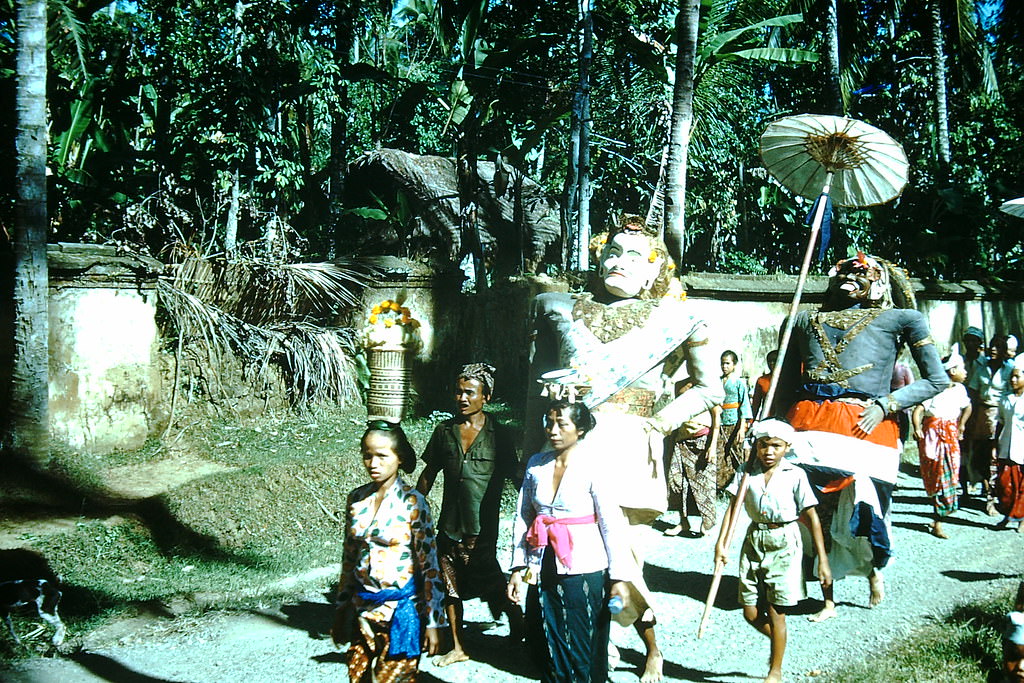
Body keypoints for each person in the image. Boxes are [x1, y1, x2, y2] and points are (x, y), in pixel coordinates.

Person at [528, 213, 724, 681]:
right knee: (576, 551)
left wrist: (660, 422)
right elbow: (536, 381)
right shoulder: (561, 310)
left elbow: (709, 389)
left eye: (634, 256)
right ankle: (594, 641)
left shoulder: (678, 320)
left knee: (624, 556)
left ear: (657, 271)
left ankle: (643, 641)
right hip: (572, 445)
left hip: (633, 448)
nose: (619, 261)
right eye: (612, 251)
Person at [776, 252, 946, 620]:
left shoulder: (904, 319)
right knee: (808, 515)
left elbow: (937, 379)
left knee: (865, 516)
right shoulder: (800, 320)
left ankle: (873, 570)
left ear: (882, 281)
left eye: (863, 271)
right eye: (844, 271)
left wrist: (888, 404)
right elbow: (784, 387)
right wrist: (765, 431)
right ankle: (825, 597)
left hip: (866, 431)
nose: (851, 275)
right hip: (805, 428)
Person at [508, 400, 632, 683]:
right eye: (549, 422)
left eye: (562, 423)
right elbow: (523, 517)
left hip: (583, 566)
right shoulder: (536, 465)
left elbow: (611, 523)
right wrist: (517, 568)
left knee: (583, 642)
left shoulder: (594, 465)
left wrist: (619, 578)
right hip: (542, 563)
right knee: (546, 640)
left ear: (581, 429)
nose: (553, 430)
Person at [416, 363, 523, 666]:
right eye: (459, 392)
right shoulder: (444, 432)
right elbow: (429, 473)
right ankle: (459, 647)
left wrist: (534, 509)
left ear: (485, 397)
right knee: (449, 589)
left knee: (492, 586)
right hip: (449, 528)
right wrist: (410, 503)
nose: (462, 398)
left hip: (481, 531)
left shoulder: (499, 435)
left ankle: (519, 627)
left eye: (470, 393)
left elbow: (515, 476)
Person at [714, 419, 831, 683]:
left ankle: (774, 671)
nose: (768, 452)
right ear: (756, 446)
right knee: (750, 612)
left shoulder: (795, 475)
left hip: (785, 542)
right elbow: (732, 509)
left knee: (777, 610)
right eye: (763, 445)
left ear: (786, 447)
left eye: (776, 446)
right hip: (754, 540)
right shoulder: (746, 473)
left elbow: (812, 517)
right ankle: (781, 642)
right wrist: (721, 544)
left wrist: (822, 560)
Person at [333, 421, 446, 683]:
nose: (373, 463)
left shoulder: (413, 502)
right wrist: (341, 609)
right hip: (362, 612)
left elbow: (429, 565)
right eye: (368, 455)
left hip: (400, 614)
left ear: (399, 457)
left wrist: (434, 622)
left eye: (382, 456)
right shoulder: (357, 499)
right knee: (356, 678)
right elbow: (349, 559)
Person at [911, 345, 972, 538]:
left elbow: (967, 407)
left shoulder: (960, 390)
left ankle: (939, 518)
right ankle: (938, 518)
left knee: (948, 476)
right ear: (952, 371)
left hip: (950, 436)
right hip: (933, 437)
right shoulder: (934, 389)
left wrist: (961, 425)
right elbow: (919, 409)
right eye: (962, 369)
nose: (965, 373)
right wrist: (918, 428)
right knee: (936, 477)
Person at [664, 378, 720, 537]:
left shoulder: (708, 385)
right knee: (677, 481)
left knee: (704, 482)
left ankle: (707, 522)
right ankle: (683, 522)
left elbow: (716, 418)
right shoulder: (679, 385)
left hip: (702, 441)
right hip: (681, 439)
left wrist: (713, 446)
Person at [966, 334, 1013, 508]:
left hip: (1000, 415)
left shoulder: (1009, 369)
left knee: (997, 455)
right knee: (981, 454)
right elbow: (973, 390)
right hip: (981, 413)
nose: (994, 350)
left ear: (1004, 351)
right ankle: (986, 490)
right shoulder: (982, 368)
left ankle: (995, 497)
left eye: (998, 347)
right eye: (992, 346)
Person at [994, 355, 1024, 532]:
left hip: (1022, 449)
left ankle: (1022, 519)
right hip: (1006, 446)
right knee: (1005, 486)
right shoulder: (1005, 399)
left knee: (1022, 486)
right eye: (1012, 376)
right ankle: (1008, 515)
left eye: (1017, 376)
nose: (1013, 380)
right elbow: (1001, 423)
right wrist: (994, 445)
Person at [717, 350, 753, 488]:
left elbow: (744, 404)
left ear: (734, 364)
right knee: (721, 455)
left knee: (736, 454)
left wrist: (742, 429)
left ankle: (737, 486)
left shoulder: (739, 382)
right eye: (722, 363)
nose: (724, 366)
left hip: (735, 423)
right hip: (719, 423)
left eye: (727, 363)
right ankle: (721, 486)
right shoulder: (718, 381)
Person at [751, 350, 779, 419]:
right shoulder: (761, 380)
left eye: (774, 360)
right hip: (766, 417)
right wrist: (751, 421)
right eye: (769, 361)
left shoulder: (787, 380)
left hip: (784, 417)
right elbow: (756, 403)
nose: (772, 363)